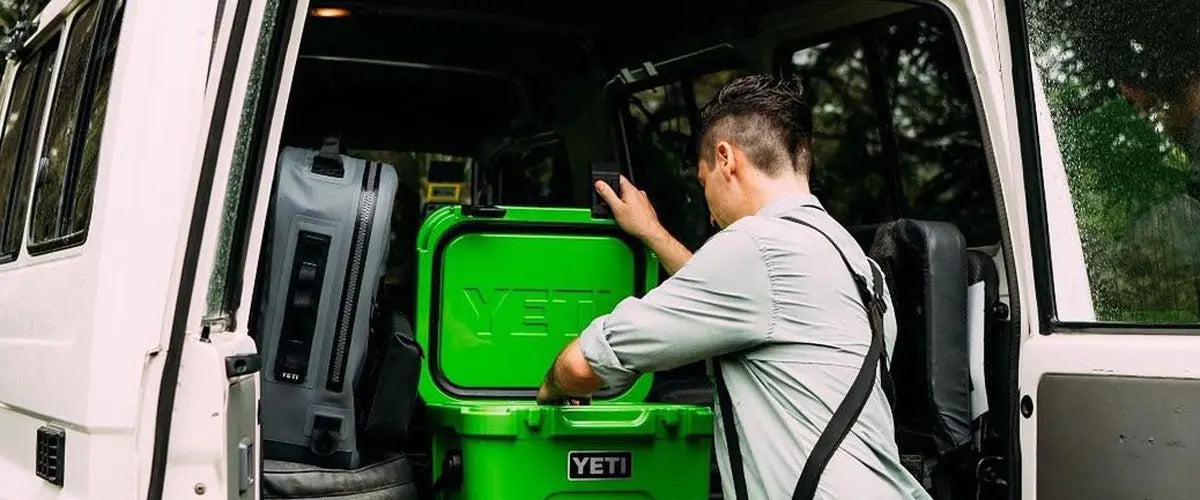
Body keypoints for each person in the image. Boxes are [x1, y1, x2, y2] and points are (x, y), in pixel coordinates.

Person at [535, 75, 929, 499]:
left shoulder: (756, 248)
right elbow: (738, 306)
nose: (709, 214)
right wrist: (653, 234)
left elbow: (584, 364)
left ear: (726, 159)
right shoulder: (858, 266)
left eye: (704, 184)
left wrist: (552, 385)